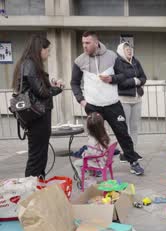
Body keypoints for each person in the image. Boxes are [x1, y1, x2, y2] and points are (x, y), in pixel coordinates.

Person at [70, 31, 144, 175]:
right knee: (95, 137)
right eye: (83, 43)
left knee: (123, 133)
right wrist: (82, 100)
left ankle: (133, 161)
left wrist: (112, 79)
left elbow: (124, 75)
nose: (84, 46)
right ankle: (96, 165)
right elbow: (74, 82)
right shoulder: (79, 60)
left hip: (113, 104)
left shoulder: (112, 56)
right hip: (92, 105)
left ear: (96, 43)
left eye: (87, 43)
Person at [11, 35, 63, 178]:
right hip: (38, 116)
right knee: (37, 157)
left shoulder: (27, 64)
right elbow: (41, 92)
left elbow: (37, 88)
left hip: (36, 115)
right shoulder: (30, 64)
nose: (49, 53)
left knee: (39, 156)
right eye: (48, 50)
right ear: (40, 49)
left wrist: (49, 85)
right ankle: (31, 191)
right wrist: (57, 88)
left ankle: (38, 187)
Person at [114, 42, 147, 161]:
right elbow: (120, 82)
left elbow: (144, 77)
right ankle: (124, 152)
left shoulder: (135, 61)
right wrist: (133, 81)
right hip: (124, 100)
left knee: (134, 126)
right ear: (121, 50)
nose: (129, 50)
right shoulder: (117, 63)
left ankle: (133, 151)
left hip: (137, 98)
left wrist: (137, 81)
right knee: (124, 127)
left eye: (130, 48)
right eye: (126, 48)